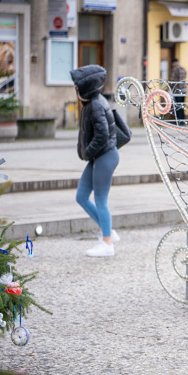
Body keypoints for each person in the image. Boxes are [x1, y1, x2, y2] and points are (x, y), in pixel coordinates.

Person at [71, 65, 120, 257]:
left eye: (77, 86)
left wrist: (87, 152)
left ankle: (107, 243)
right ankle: (108, 231)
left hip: (105, 156)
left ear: (85, 86)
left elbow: (102, 135)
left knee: (100, 200)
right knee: (81, 196)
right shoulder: (91, 103)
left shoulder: (96, 105)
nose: (75, 88)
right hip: (98, 157)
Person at [169, 58, 187, 123]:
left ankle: (178, 121)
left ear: (173, 63)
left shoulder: (174, 69)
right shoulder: (183, 69)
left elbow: (172, 80)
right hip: (184, 90)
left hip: (177, 90)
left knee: (177, 106)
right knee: (182, 106)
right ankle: (183, 120)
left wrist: (170, 88)